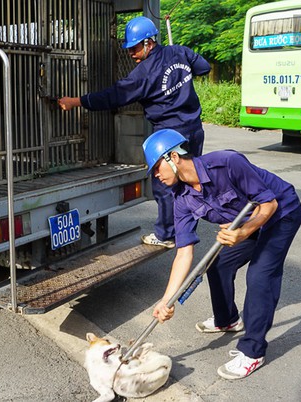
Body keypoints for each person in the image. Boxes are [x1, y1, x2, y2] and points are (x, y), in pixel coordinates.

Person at [143, 129, 301, 380]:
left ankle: (253, 351)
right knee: (217, 266)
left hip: (281, 213)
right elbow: (184, 252)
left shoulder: (227, 163)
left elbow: (269, 204)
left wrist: (244, 231)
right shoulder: (182, 198)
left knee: (260, 275)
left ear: (173, 157)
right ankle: (227, 319)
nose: (155, 175)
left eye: (155, 167)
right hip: (245, 223)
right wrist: (166, 300)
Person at [58, 16, 211, 249]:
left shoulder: (143, 74)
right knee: (190, 179)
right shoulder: (180, 51)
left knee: (165, 186)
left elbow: (112, 96)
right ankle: (187, 230)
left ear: (149, 42)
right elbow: (204, 67)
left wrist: (76, 101)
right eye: (129, 48)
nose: (131, 53)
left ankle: (168, 234)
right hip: (194, 129)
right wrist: (180, 75)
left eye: (135, 47)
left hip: (169, 136)